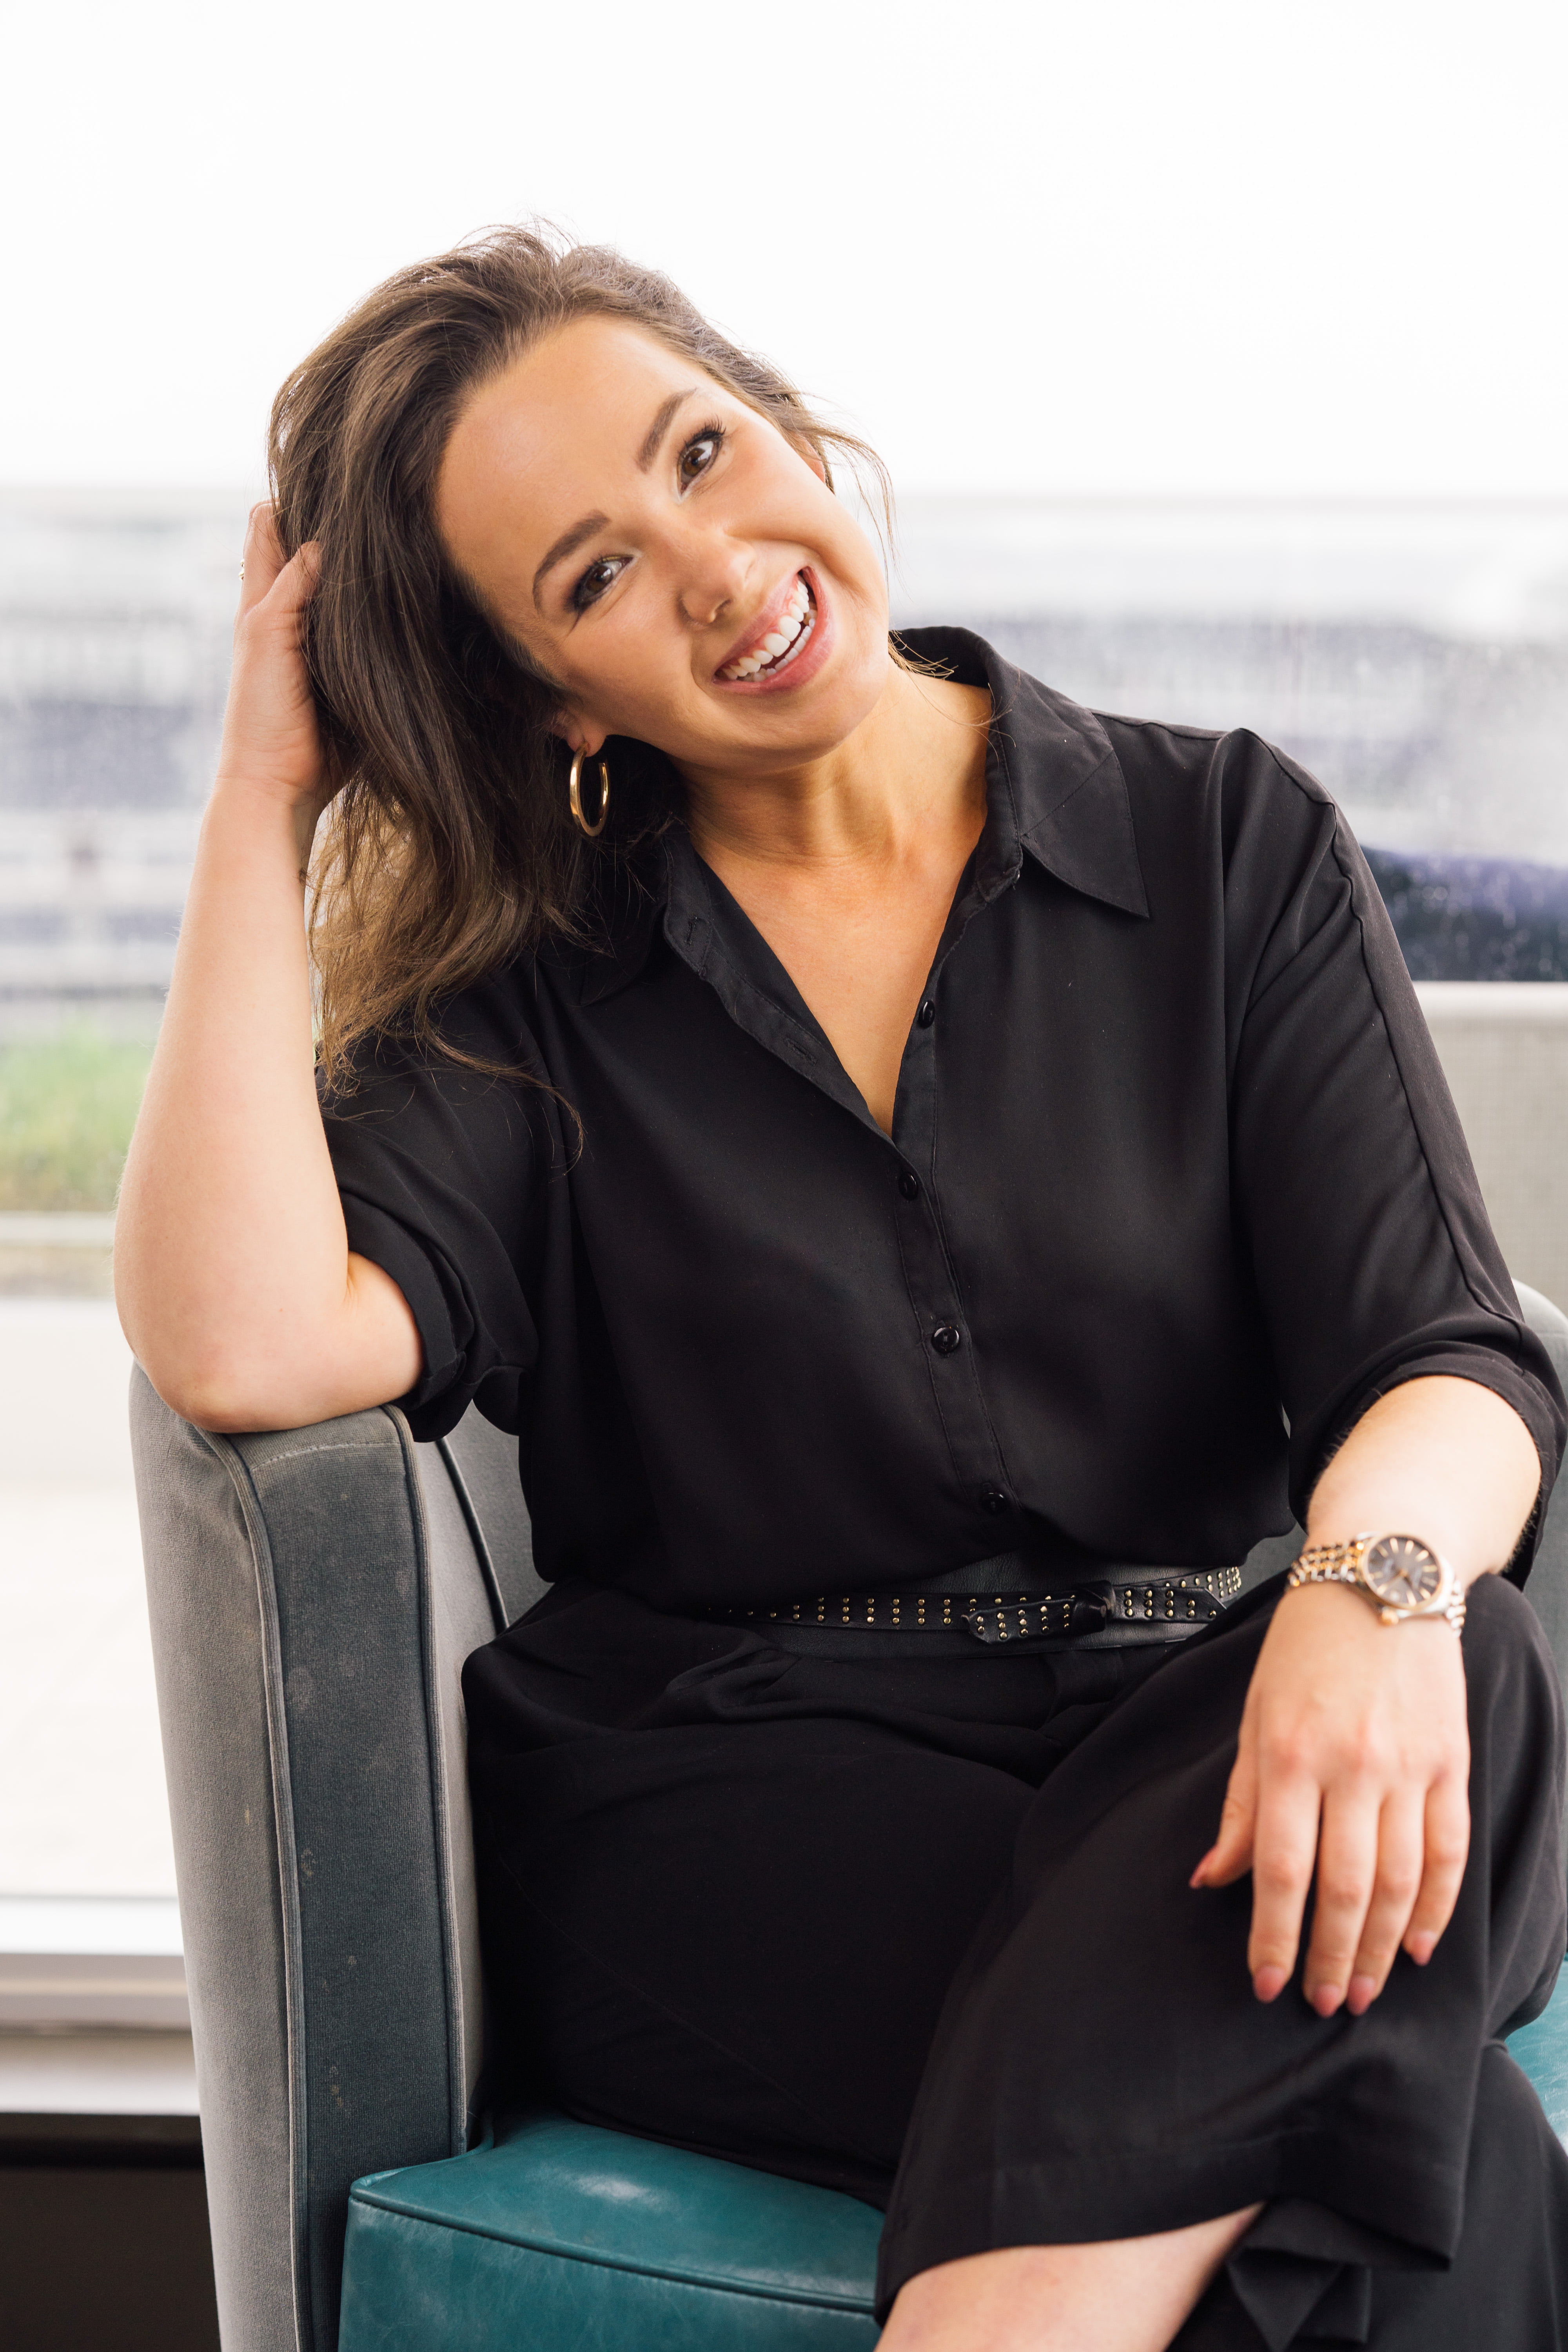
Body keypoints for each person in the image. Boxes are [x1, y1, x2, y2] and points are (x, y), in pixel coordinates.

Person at [115, 228, 1568, 2351]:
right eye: (593, 575)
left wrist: (1369, 1597)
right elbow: (242, 1338)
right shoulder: (536, 1012)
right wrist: (263, 794)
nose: (712, 564)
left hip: (1212, 1724)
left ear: (788, 423)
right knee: (1407, 2081)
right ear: (551, 695)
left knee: (1480, 1669)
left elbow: (1445, 1353)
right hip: (752, 1821)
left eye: (703, 453)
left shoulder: (1225, 840)